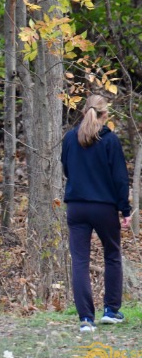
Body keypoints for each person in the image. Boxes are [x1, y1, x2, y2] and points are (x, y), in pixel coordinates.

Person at [61, 94, 132, 333]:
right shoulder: (110, 140)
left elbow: (66, 169)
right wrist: (125, 209)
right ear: (105, 115)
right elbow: (120, 178)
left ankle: (85, 319)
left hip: (76, 206)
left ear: (84, 112)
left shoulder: (70, 138)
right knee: (112, 255)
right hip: (104, 207)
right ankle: (111, 310)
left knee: (80, 261)